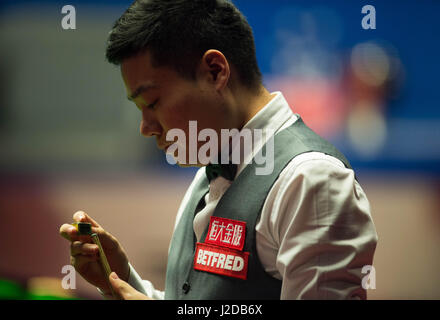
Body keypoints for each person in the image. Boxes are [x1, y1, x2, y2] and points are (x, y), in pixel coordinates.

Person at [59, 0, 378, 300]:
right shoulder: (213, 164)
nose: (146, 127)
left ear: (215, 71)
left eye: (153, 103)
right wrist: (121, 278)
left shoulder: (313, 179)